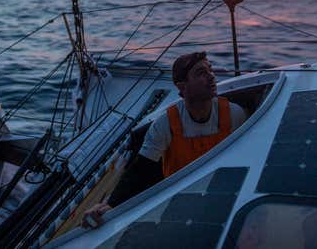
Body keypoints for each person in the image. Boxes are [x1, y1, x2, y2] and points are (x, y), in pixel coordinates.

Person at [81, 51, 247, 228]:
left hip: (221, 194)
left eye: (210, 70)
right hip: (178, 199)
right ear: (182, 87)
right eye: (201, 73)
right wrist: (110, 205)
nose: (211, 77)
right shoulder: (165, 124)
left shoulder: (234, 114)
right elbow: (140, 171)